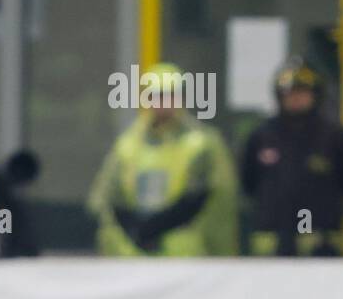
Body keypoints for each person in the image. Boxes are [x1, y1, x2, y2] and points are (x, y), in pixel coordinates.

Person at [88, 63, 238, 256]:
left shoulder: (202, 143)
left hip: (185, 252)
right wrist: (135, 231)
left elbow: (216, 204)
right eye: (156, 96)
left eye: (170, 95)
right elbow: (108, 198)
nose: (163, 103)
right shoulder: (128, 144)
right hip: (132, 253)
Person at [240, 57, 343, 256]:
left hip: (321, 247)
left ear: (316, 94)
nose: (295, 97)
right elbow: (247, 184)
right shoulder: (261, 137)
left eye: (302, 92)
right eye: (289, 92)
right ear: (279, 95)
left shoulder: (337, 137)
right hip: (271, 246)